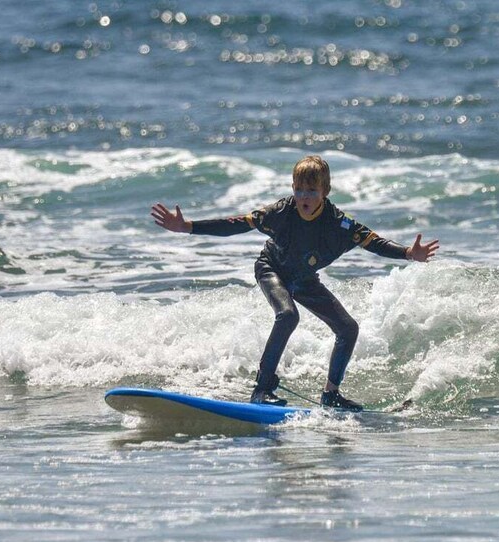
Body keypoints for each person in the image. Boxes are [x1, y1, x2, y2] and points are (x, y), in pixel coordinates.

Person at [151, 155, 438, 411]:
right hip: (271, 268)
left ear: (325, 192)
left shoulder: (339, 225)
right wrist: (188, 227)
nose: (304, 196)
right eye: (299, 189)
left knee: (348, 328)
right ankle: (262, 389)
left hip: (303, 279)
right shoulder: (280, 212)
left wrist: (408, 253)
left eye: (312, 190)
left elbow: (374, 242)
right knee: (288, 315)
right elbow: (236, 224)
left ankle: (331, 394)